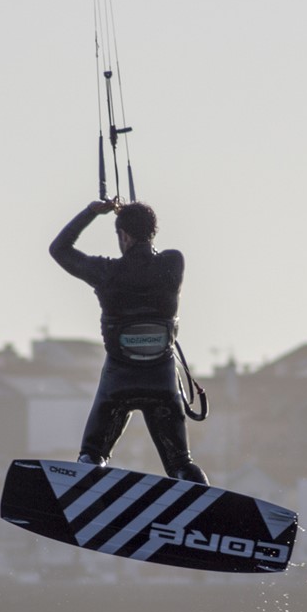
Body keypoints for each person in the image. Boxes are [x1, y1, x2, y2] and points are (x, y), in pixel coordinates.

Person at [49, 199, 208, 484]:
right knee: (181, 463)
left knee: (92, 455)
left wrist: (91, 213)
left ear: (123, 235)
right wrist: (144, 237)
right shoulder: (174, 263)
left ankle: (84, 492)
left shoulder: (105, 272)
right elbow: (152, 258)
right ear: (152, 232)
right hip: (161, 381)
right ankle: (205, 502)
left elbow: (59, 249)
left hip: (119, 382)